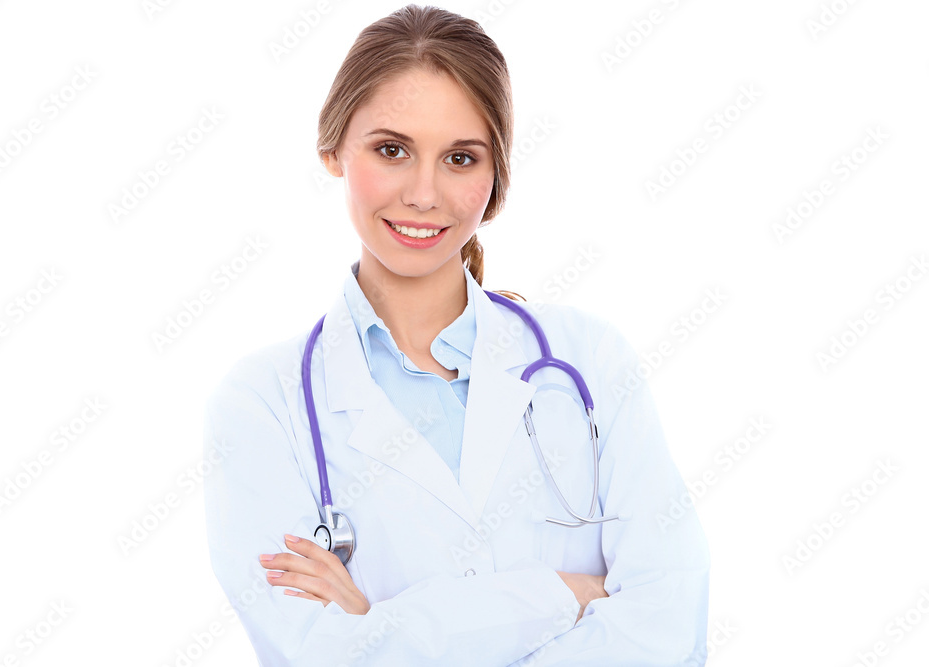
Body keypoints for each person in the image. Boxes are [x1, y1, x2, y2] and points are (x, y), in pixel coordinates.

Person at [203, 4, 710, 665]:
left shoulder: (589, 360)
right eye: (391, 150)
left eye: (460, 158)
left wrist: (380, 623)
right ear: (333, 151)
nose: (423, 193)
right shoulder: (262, 403)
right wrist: (562, 594)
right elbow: (321, 657)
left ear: (494, 178)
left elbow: (667, 631)